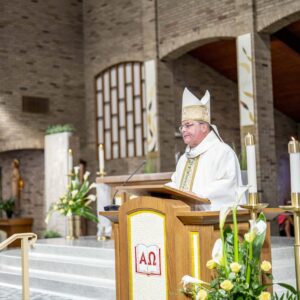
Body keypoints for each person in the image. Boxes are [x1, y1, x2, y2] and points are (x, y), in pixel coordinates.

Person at [167, 88, 245, 211]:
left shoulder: (222, 152)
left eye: (188, 125)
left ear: (204, 127)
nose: (183, 130)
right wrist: (160, 191)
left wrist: (197, 195)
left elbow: (228, 186)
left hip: (213, 223)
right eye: (182, 126)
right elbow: (176, 184)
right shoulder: (184, 159)